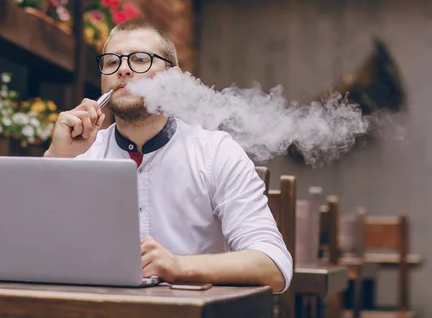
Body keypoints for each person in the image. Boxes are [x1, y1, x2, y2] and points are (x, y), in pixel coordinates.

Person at [44, 18, 292, 293]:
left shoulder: (215, 152)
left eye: (140, 60)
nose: (123, 69)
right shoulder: (78, 153)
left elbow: (274, 265)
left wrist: (179, 267)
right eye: (112, 62)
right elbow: (33, 251)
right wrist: (58, 160)